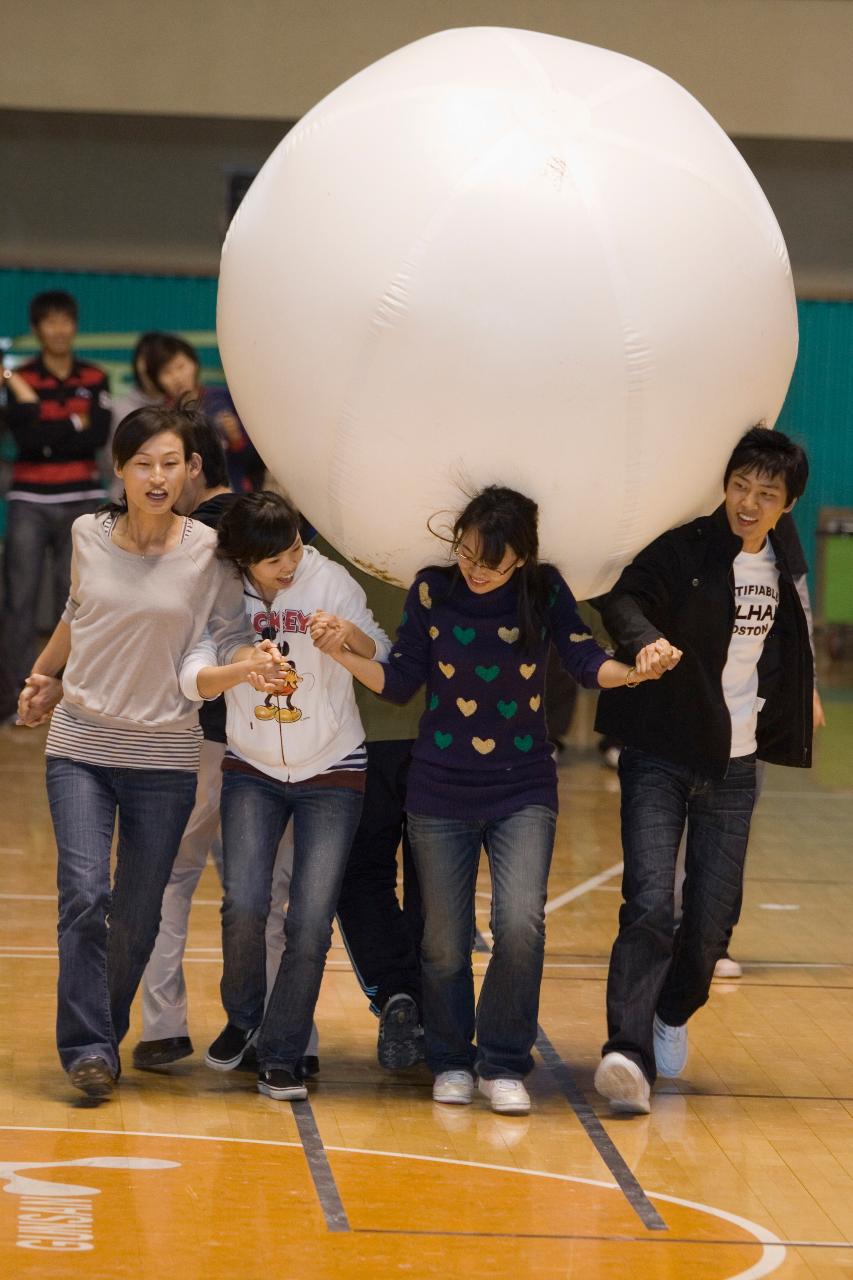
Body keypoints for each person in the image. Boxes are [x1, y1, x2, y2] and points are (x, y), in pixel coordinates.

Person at [312, 485, 675, 1115]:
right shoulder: (432, 588)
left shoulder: (545, 590)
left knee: (520, 925)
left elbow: (586, 661)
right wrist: (342, 652)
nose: (476, 572)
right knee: (444, 939)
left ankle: (504, 1060)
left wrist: (635, 672)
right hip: (439, 787)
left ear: (522, 561)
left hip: (523, 787)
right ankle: (451, 1058)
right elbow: (400, 681)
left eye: (491, 564)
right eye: (468, 556)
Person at [16, 405, 281, 1100]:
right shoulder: (85, 533)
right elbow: (79, 613)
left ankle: (101, 1029)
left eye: (170, 463)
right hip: (81, 742)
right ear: (120, 469)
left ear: (189, 469)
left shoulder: (206, 551)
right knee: (83, 894)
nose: (157, 476)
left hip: (165, 756)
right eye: (144, 463)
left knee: (136, 914)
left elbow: (225, 634)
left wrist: (248, 657)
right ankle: (88, 1049)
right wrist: (44, 677)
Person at [592, 427, 813, 1116]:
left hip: (735, 764)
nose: (748, 502)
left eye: (765, 493)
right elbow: (617, 595)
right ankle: (624, 1052)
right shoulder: (685, 546)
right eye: (740, 485)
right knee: (649, 902)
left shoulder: (782, 561)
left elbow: (789, 636)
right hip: (659, 750)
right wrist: (644, 640)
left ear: (786, 505)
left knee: (711, 926)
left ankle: (669, 1011)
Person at [179, 491, 391, 1102]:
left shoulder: (331, 580)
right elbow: (199, 665)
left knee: (309, 920)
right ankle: (246, 1016)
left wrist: (349, 636)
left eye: (296, 548)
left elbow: (383, 650)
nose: (291, 566)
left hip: (334, 767)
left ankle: (281, 1052)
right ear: (244, 562)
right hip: (250, 765)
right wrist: (245, 663)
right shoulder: (221, 590)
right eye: (274, 560)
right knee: (244, 901)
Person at [312, 533, 425, 1070]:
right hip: (434, 728)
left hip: (366, 730)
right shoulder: (457, 519)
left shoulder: (332, 521)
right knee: (433, 878)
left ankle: (403, 994)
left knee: (361, 874)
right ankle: (424, 1006)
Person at [1, 291, 111, 702]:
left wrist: (49, 427)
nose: (59, 329)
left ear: (75, 325)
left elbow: (97, 437)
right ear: (37, 329)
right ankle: (16, 697)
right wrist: (71, 425)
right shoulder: (21, 378)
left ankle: (73, 695)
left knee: (82, 599)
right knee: (20, 599)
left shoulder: (94, 377)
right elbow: (26, 439)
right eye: (50, 321)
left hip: (83, 498)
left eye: (66, 320)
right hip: (29, 498)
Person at [147, 334, 264, 493]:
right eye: (166, 372)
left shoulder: (225, 398)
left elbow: (254, 457)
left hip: (235, 491)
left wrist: (236, 439)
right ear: (156, 380)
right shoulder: (159, 418)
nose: (177, 377)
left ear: (194, 363)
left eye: (181, 366)